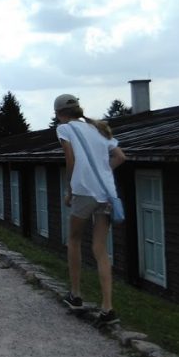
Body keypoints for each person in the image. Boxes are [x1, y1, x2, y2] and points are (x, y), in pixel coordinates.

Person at [54, 93, 126, 326]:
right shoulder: (98, 130)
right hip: (106, 193)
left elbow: (71, 160)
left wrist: (69, 190)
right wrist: (104, 172)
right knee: (100, 248)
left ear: (59, 114)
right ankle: (108, 308)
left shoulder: (65, 129)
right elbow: (120, 157)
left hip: (83, 191)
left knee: (74, 239)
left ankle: (75, 295)